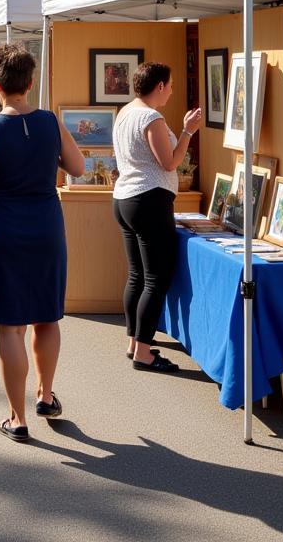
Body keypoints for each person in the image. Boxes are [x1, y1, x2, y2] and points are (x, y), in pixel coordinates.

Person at [0, 44, 85, 442]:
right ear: (30, 83)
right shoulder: (50, 122)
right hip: (46, 227)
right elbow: (77, 167)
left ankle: (18, 418)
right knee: (47, 316)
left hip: (2, 231)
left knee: (10, 328)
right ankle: (45, 396)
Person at [112, 62, 202, 372]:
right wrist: (188, 131)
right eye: (171, 84)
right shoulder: (151, 117)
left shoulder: (125, 112)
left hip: (125, 198)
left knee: (137, 274)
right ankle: (144, 352)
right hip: (148, 200)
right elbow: (169, 162)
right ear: (160, 86)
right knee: (155, 278)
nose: (173, 90)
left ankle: (134, 342)